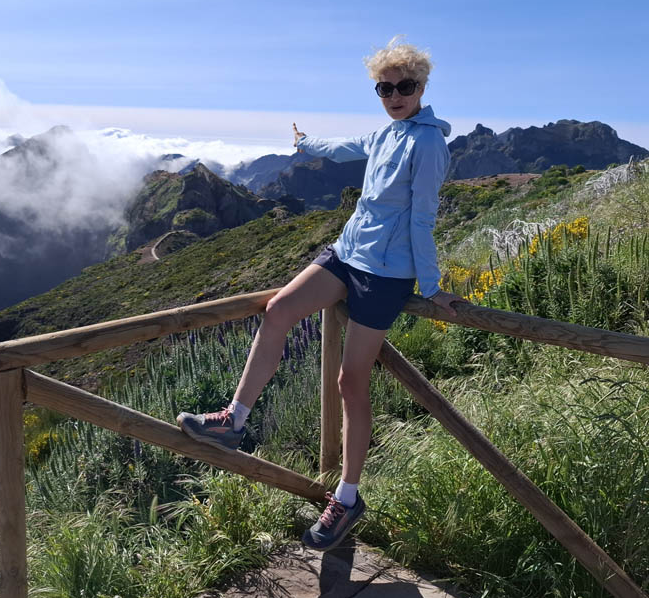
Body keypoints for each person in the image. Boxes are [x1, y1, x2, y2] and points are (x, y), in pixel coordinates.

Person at [177, 37, 463, 551]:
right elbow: (344, 146)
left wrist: (433, 288)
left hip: (385, 274)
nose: (395, 96)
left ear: (422, 87)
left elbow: (423, 218)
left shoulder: (428, 145)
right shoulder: (387, 133)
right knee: (278, 309)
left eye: (405, 86)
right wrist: (306, 143)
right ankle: (233, 420)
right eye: (385, 88)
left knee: (350, 382)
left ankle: (347, 498)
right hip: (347, 253)